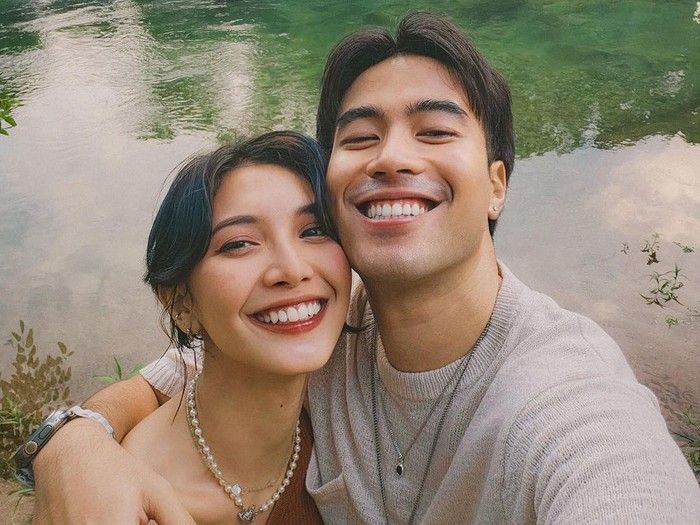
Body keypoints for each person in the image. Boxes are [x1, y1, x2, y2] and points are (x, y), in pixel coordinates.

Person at [31, 12, 699, 524]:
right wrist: (75, 442)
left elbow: (623, 481)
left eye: (435, 131)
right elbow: (179, 370)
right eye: (359, 137)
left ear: (497, 185)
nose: (391, 158)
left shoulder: (565, 401)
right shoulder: (325, 328)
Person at [32, 131, 350, 524]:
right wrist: (73, 439)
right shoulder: (117, 503)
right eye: (239, 243)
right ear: (181, 303)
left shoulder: (337, 418)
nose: (293, 269)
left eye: (314, 230)